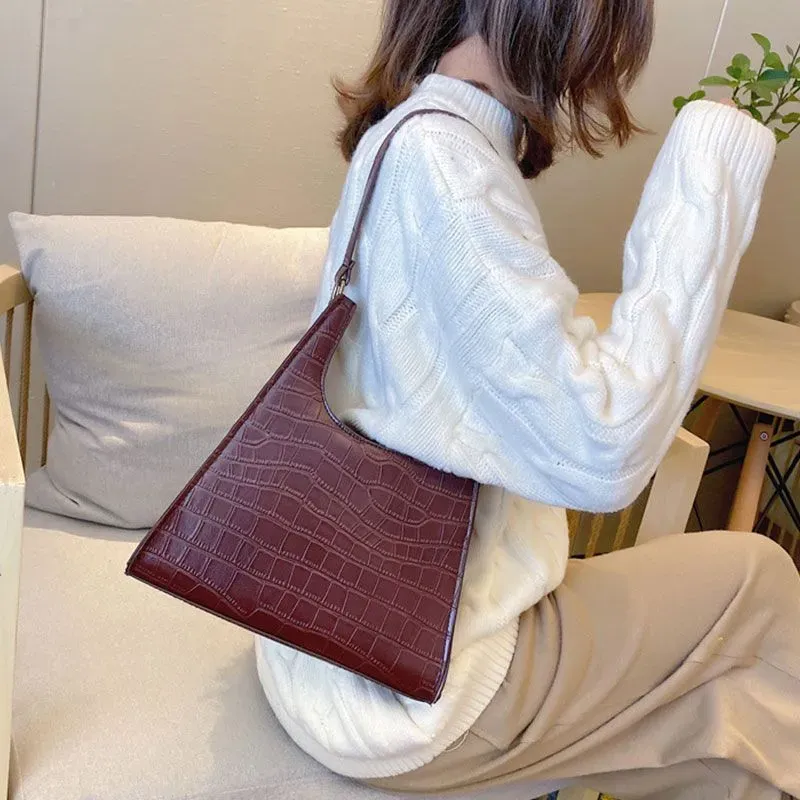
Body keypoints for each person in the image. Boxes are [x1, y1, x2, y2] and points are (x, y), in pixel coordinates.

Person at [256, 1, 800, 797]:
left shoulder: (410, 139)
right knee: (758, 581)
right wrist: (709, 169)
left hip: (328, 637)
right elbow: (606, 446)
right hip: (412, 684)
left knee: (726, 718)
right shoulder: (446, 166)